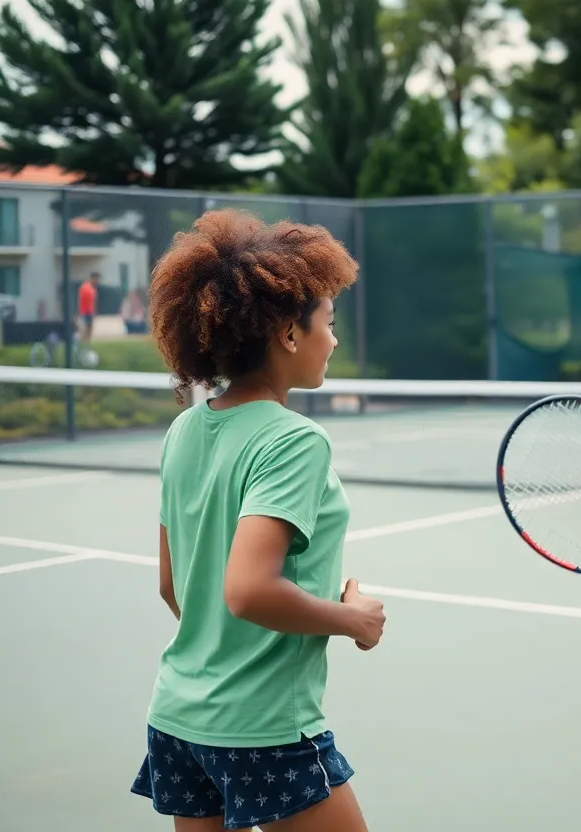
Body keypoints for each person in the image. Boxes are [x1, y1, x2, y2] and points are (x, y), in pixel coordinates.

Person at [130, 209, 386, 832]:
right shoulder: (296, 441)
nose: (334, 338)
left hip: (177, 719)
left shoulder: (184, 429)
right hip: (264, 729)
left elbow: (174, 587)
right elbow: (248, 591)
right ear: (288, 335)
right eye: (328, 323)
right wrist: (352, 619)